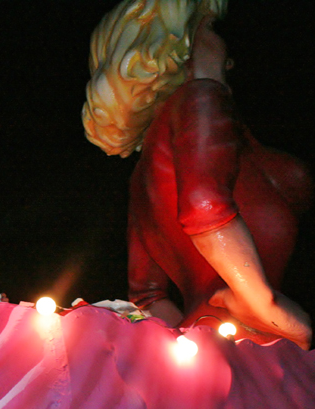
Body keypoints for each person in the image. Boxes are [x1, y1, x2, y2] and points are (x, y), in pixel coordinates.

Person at [83, 0, 312, 348]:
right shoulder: (201, 97)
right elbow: (205, 207)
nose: (228, 54)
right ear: (180, 48)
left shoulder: (145, 169)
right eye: (212, 31)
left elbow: (146, 296)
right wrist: (264, 304)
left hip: (214, 345)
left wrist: (189, 341)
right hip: (258, 344)